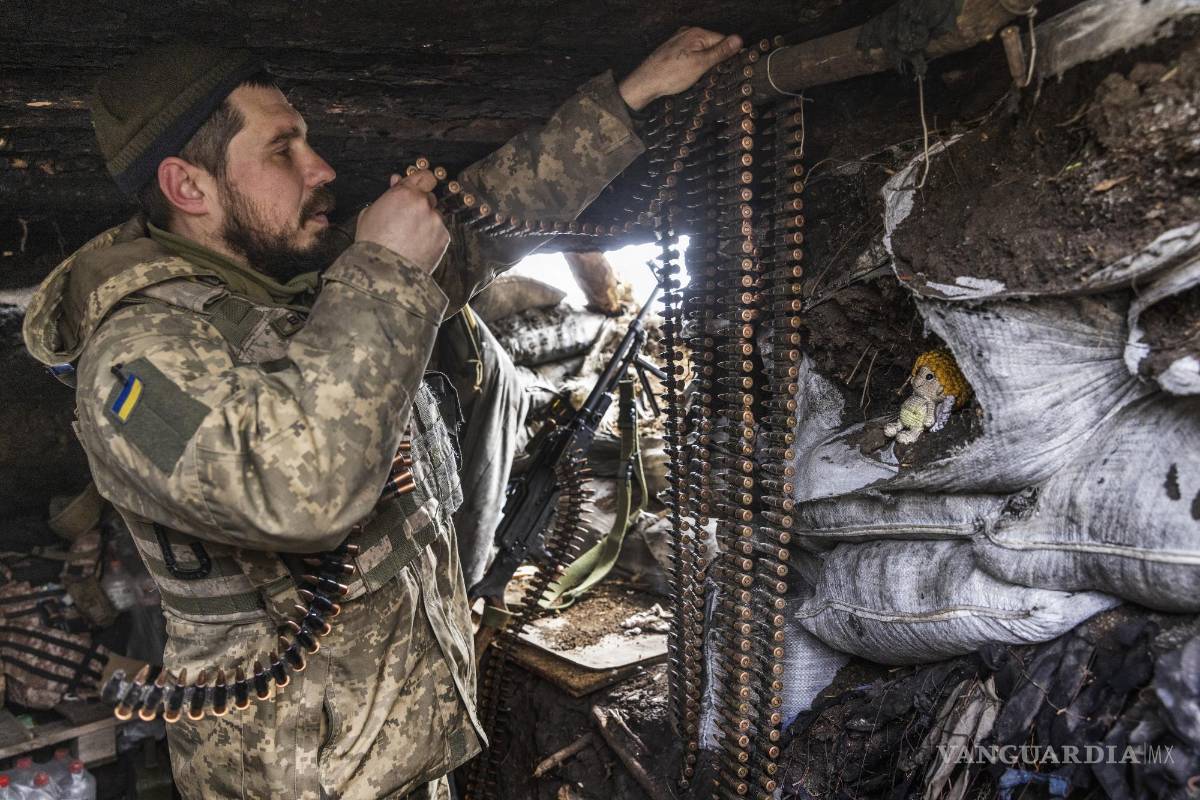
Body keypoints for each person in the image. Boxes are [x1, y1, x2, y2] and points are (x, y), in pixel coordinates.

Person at [22, 28, 740, 800]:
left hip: (395, 745)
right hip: (297, 775)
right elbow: (300, 497)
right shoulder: (134, 359)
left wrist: (629, 98)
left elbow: (472, 231)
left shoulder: (280, 285)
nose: (321, 168)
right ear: (189, 187)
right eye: (283, 149)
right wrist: (384, 266)